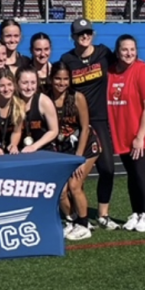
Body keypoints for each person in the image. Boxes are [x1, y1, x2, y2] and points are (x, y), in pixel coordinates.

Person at [60, 18, 119, 230]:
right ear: (73, 37)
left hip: (100, 119)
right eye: (80, 34)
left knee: (107, 168)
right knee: (77, 172)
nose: (85, 36)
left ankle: (103, 214)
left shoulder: (103, 52)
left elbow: (122, 64)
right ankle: (78, 215)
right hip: (75, 122)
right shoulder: (67, 59)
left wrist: (143, 64)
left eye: (88, 33)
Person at [108, 34, 145, 233]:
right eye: (124, 49)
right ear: (117, 51)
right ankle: (137, 212)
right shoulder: (111, 72)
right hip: (124, 131)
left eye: (132, 49)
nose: (129, 53)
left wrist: (140, 136)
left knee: (140, 171)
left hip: (144, 132)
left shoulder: (143, 71)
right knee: (131, 173)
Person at [47, 62, 99, 241]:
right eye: (57, 79)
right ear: (51, 79)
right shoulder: (45, 98)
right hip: (63, 149)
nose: (61, 83)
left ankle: (84, 225)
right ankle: (73, 220)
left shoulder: (77, 97)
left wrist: (79, 157)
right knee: (60, 190)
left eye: (65, 79)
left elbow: (85, 128)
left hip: (85, 147)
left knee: (75, 185)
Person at [16, 67, 59, 152]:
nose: (29, 87)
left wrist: (34, 147)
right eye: (25, 83)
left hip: (43, 150)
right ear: (17, 83)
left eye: (33, 83)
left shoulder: (44, 102)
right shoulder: (12, 101)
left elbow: (53, 131)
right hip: (19, 151)